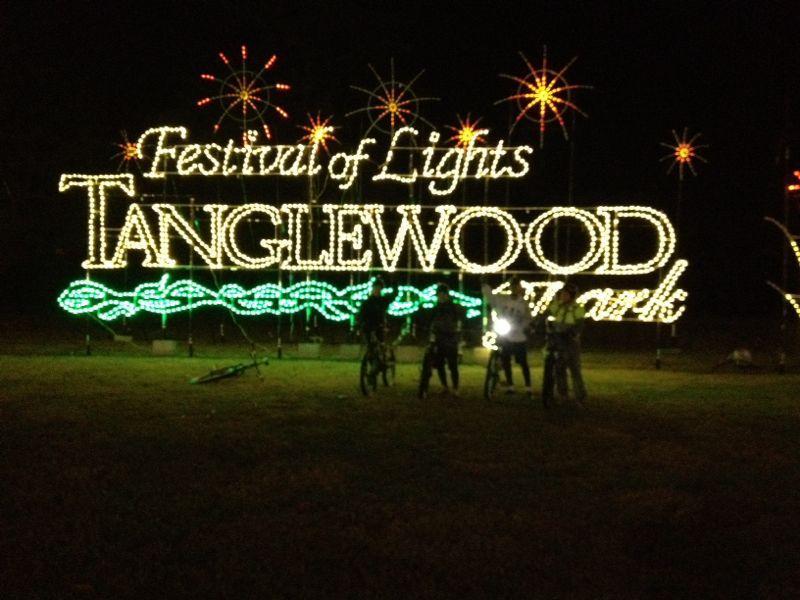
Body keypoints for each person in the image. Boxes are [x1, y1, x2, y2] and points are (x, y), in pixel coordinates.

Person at [482, 277, 533, 396]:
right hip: (506, 334)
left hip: (519, 336)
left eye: (517, 286)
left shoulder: (523, 303)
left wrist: (525, 326)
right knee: (506, 360)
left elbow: (528, 318)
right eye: (512, 286)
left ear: (520, 288)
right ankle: (510, 385)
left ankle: (528, 387)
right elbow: (492, 299)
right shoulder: (503, 300)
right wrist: (485, 286)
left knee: (523, 362)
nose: (514, 288)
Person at [542, 282, 587, 407]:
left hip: (570, 341)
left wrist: (574, 333)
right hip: (557, 339)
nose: (562, 295)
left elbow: (580, 324)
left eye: (565, 294)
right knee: (559, 369)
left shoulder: (577, 308)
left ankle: (580, 397)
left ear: (571, 295)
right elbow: (546, 314)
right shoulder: (558, 306)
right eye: (561, 293)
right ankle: (563, 395)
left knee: (574, 369)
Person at [420, 283, 466, 398]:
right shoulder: (436, 308)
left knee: (452, 365)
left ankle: (455, 387)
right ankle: (445, 386)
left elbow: (460, 320)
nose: (441, 296)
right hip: (438, 338)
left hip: (450, 338)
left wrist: (458, 334)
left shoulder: (454, 308)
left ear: (447, 295)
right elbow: (428, 321)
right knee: (439, 364)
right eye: (440, 294)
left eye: (443, 294)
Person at [357, 277, 392, 344]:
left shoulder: (383, 301)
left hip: (379, 326)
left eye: (379, 288)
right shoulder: (367, 302)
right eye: (376, 288)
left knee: (380, 343)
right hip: (369, 326)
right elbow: (362, 314)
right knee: (371, 345)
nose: (377, 290)